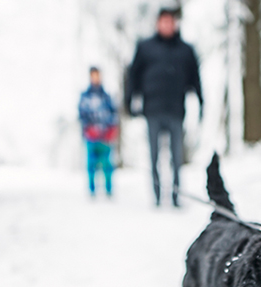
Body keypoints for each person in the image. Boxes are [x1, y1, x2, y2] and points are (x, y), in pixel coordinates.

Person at [125, 7, 202, 207]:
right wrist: (129, 101)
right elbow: (133, 76)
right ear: (158, 23)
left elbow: (195, 77)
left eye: (170, 21)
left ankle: (176, 195)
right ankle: (157, 195)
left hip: (176, 110)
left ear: (175, 24)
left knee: (177, 157)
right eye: (164, 21)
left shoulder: (185, 50)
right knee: (154, 156)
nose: (167, 25)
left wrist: (201, 102)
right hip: (153, 110)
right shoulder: (145, 47)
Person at [79, 67, 119, 198]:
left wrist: (111, 130)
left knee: (107, 165)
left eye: (97, 75)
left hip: (105, 137)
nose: (96, 78)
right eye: (93, 76)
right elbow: (82, 116)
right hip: (91, 138)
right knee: (91, 165)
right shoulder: (85, 97)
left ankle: (109, 190)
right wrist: (88, 129)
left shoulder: (106, 97)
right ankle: (92, 190)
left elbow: (114, 114)